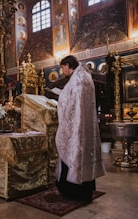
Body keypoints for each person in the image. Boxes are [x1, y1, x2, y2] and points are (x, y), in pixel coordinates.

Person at [55, 55, 106, 203]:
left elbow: (70, 103)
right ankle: (84, 192)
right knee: (84, 156)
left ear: (67, 65)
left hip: (76, 127)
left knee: (74, 153)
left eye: (62, 67)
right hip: (86, 125)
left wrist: (60, 97)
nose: (62, 71)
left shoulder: (77, 80)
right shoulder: (85, 76)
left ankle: (73, 192)